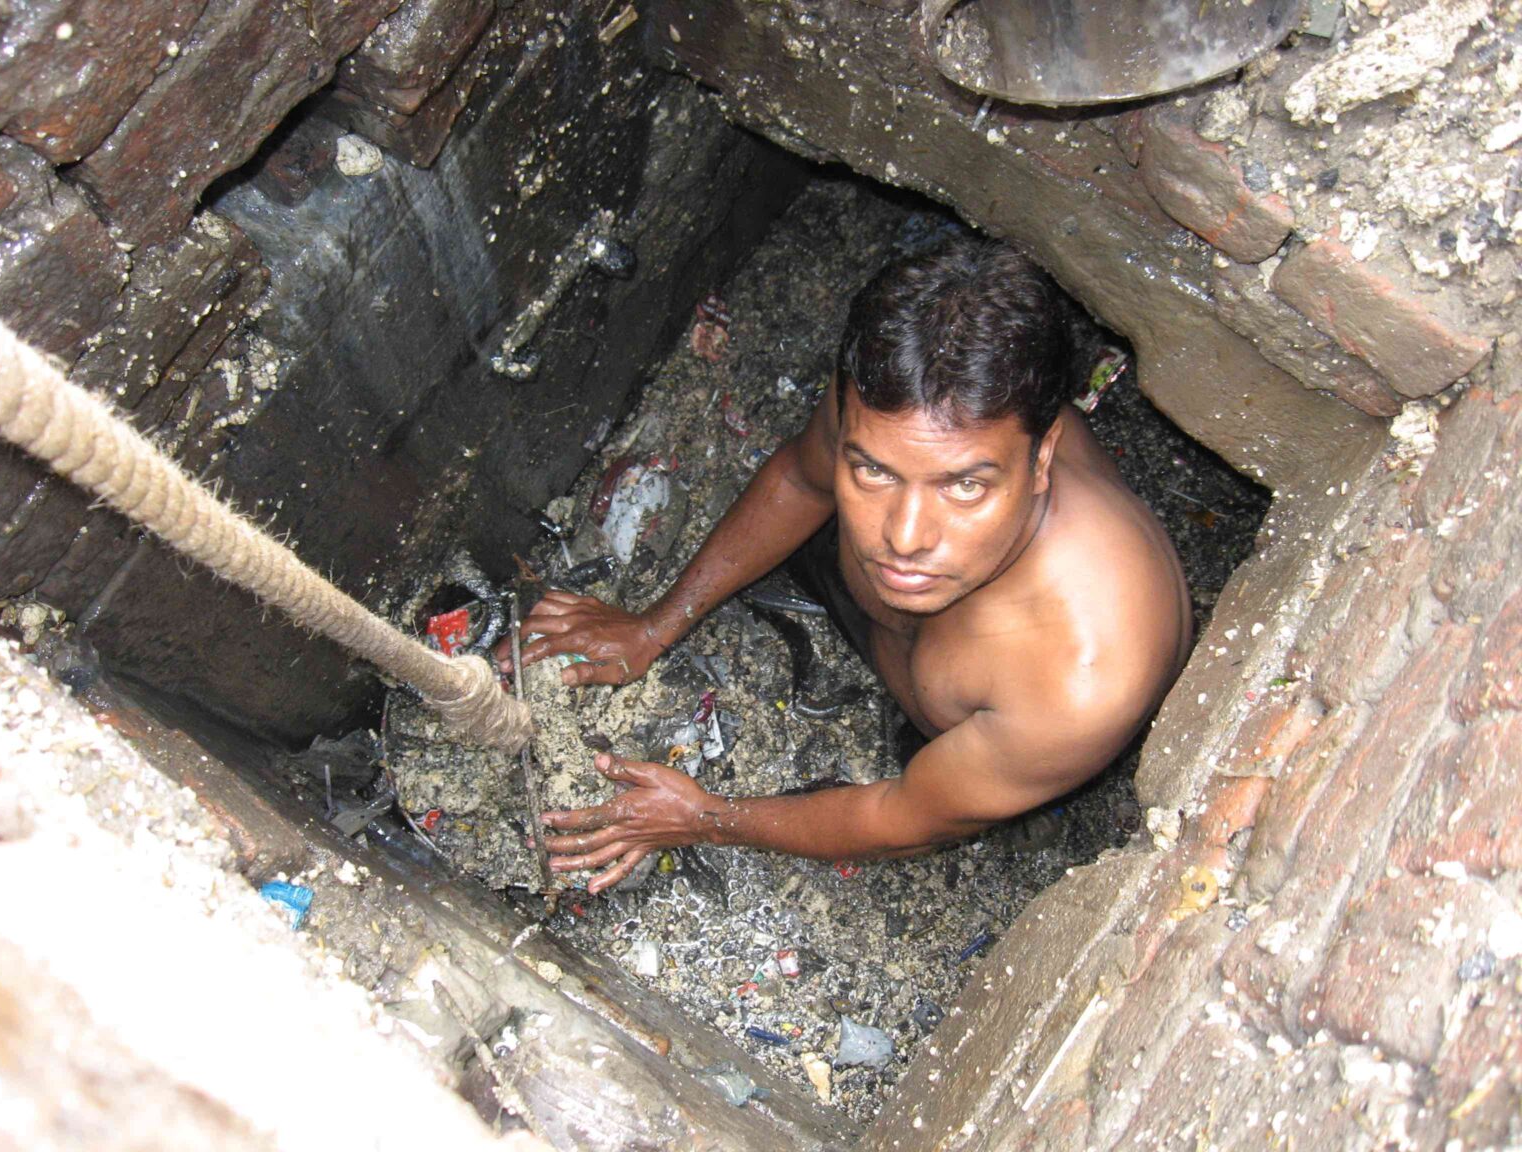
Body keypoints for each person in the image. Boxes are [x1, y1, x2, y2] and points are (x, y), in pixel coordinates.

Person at [499, 239, 1192, 894]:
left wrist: (704, 815)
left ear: (1042, 459)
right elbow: (802, 483)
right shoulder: (887, 409)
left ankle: (1020, 799)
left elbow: (898, 821)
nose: (905, 537)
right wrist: (652, 628)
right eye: (872, 472)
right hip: (893, 635)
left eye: (965, 486)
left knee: (968, 791)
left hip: (987, 745)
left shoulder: (1081, 680)